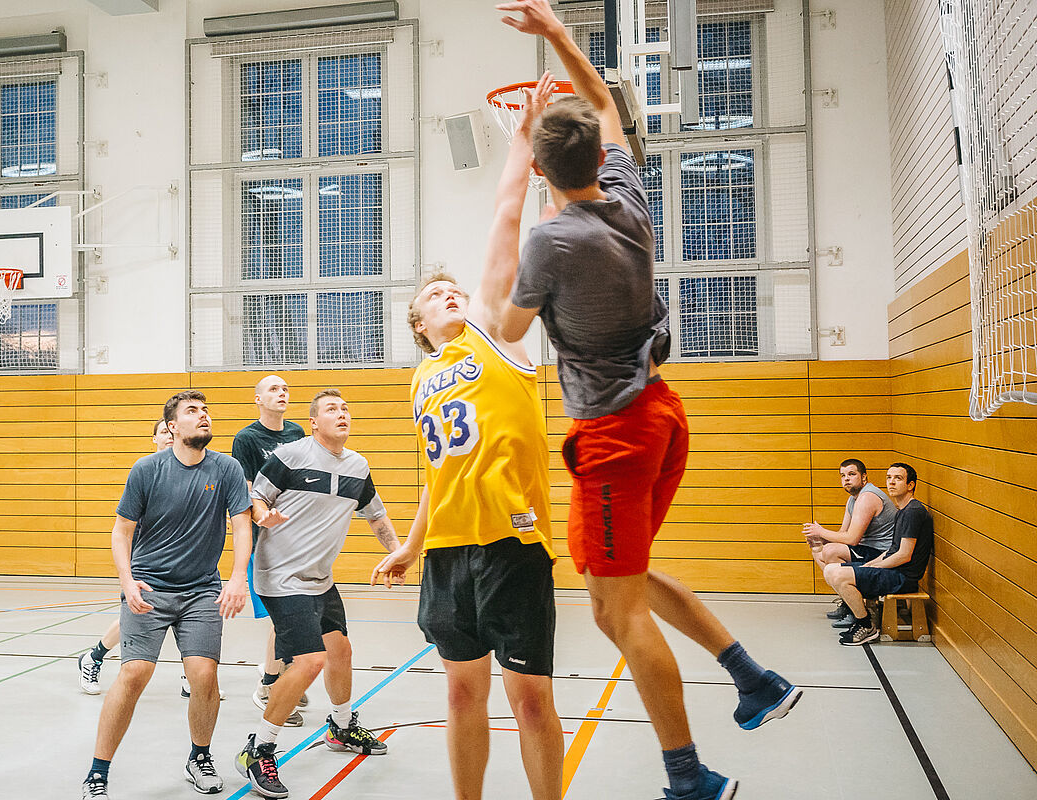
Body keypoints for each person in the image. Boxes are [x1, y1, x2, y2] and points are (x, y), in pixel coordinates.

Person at [495, 3, 801, 799]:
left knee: (615, 612)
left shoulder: (551, 242)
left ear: (539, 171)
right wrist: (560, 37)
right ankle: (751, 677)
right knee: (621, 586)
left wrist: (510, 199)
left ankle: (688, 774)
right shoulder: (629, 198)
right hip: (660, 413)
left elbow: (507, 328)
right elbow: (604, 104)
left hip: (614, 435)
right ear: (600, 153)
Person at [369, 74, 566, 800]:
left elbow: (505, 219)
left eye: (456, 289)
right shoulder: (421, 380)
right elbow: (436, 475)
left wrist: (521, 140)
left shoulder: (497, 337)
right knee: (460, 698)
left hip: (513, 546)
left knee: (532, 702)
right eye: (434, 295)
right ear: (418, 325)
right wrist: (409, 544)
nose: (450, 294)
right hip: (448, 554)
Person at [81, 391, 253, 800]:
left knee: (204, 675)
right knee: (134, 673)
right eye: (192, 412)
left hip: (201, 591)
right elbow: (122, 531)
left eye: (206, 410)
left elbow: (242, 525)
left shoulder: (227, 468)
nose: (203, 416)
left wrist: (236, 580)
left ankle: (199, 757)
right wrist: (126, 580)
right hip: (148, 587)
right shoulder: (147, 469)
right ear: (172, 427)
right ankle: (97, 772)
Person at [237, 389, 403, 799]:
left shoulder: (358, 466)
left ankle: (341, 727)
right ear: (313, 422)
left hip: (319, 579)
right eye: (332, 409)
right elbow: (254, 497)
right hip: (279, 576)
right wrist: (264, 515)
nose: (342, 413)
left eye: (345, 408)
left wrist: (398, 554)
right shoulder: (291, 456)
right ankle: (258, 750)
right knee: (311, 661)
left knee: (340, 651)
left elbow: (376, 516)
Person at [230, 374, 308, 726]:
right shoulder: (247, 439)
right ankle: (269, 686)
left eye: (285, 389)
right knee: (284, 617)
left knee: (297, 613)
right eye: (274, 389)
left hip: (297, 537)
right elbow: (247, 491)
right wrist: (263, 520)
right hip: (267, 539)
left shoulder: (296, 434)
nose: (282, 393)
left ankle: (284, 670)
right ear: (258, 399)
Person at [77, 418, 174, 695]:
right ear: (154, 438)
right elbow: (125, 526)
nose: (168, 437)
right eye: (163, 433)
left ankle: (192, 678)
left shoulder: (192, 470)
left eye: (171, 432)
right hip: (146, 561)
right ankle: (94, 656)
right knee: (137, 614)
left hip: (180, 563)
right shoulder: (145, 473)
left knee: (190, 618)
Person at [822, 462, 934, 646]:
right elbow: (892, 550)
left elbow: (904, 555)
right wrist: (871, 564)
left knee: (837, 574)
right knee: (832, 569)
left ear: (910, 485)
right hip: (893, 571)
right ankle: (862, 618)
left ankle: (866, 626)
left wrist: (873, 566)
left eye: (898, 478)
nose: (891, 482)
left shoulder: (913, 512)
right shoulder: (902, 511)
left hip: (902, 577)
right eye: (889, 478)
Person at [803, 459, 897, 627]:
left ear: (864, 478)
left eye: (852, 474)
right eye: (843, 475)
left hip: (882, 553)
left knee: (831, 552)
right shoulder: (853, 499)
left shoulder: (868, 497)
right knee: (819, 550)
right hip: (867, 548)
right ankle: (849, 600)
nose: (846, 479)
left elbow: (852, 539)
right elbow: (842, 534)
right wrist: (819, 538)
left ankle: (855, 609)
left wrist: (821, 531)